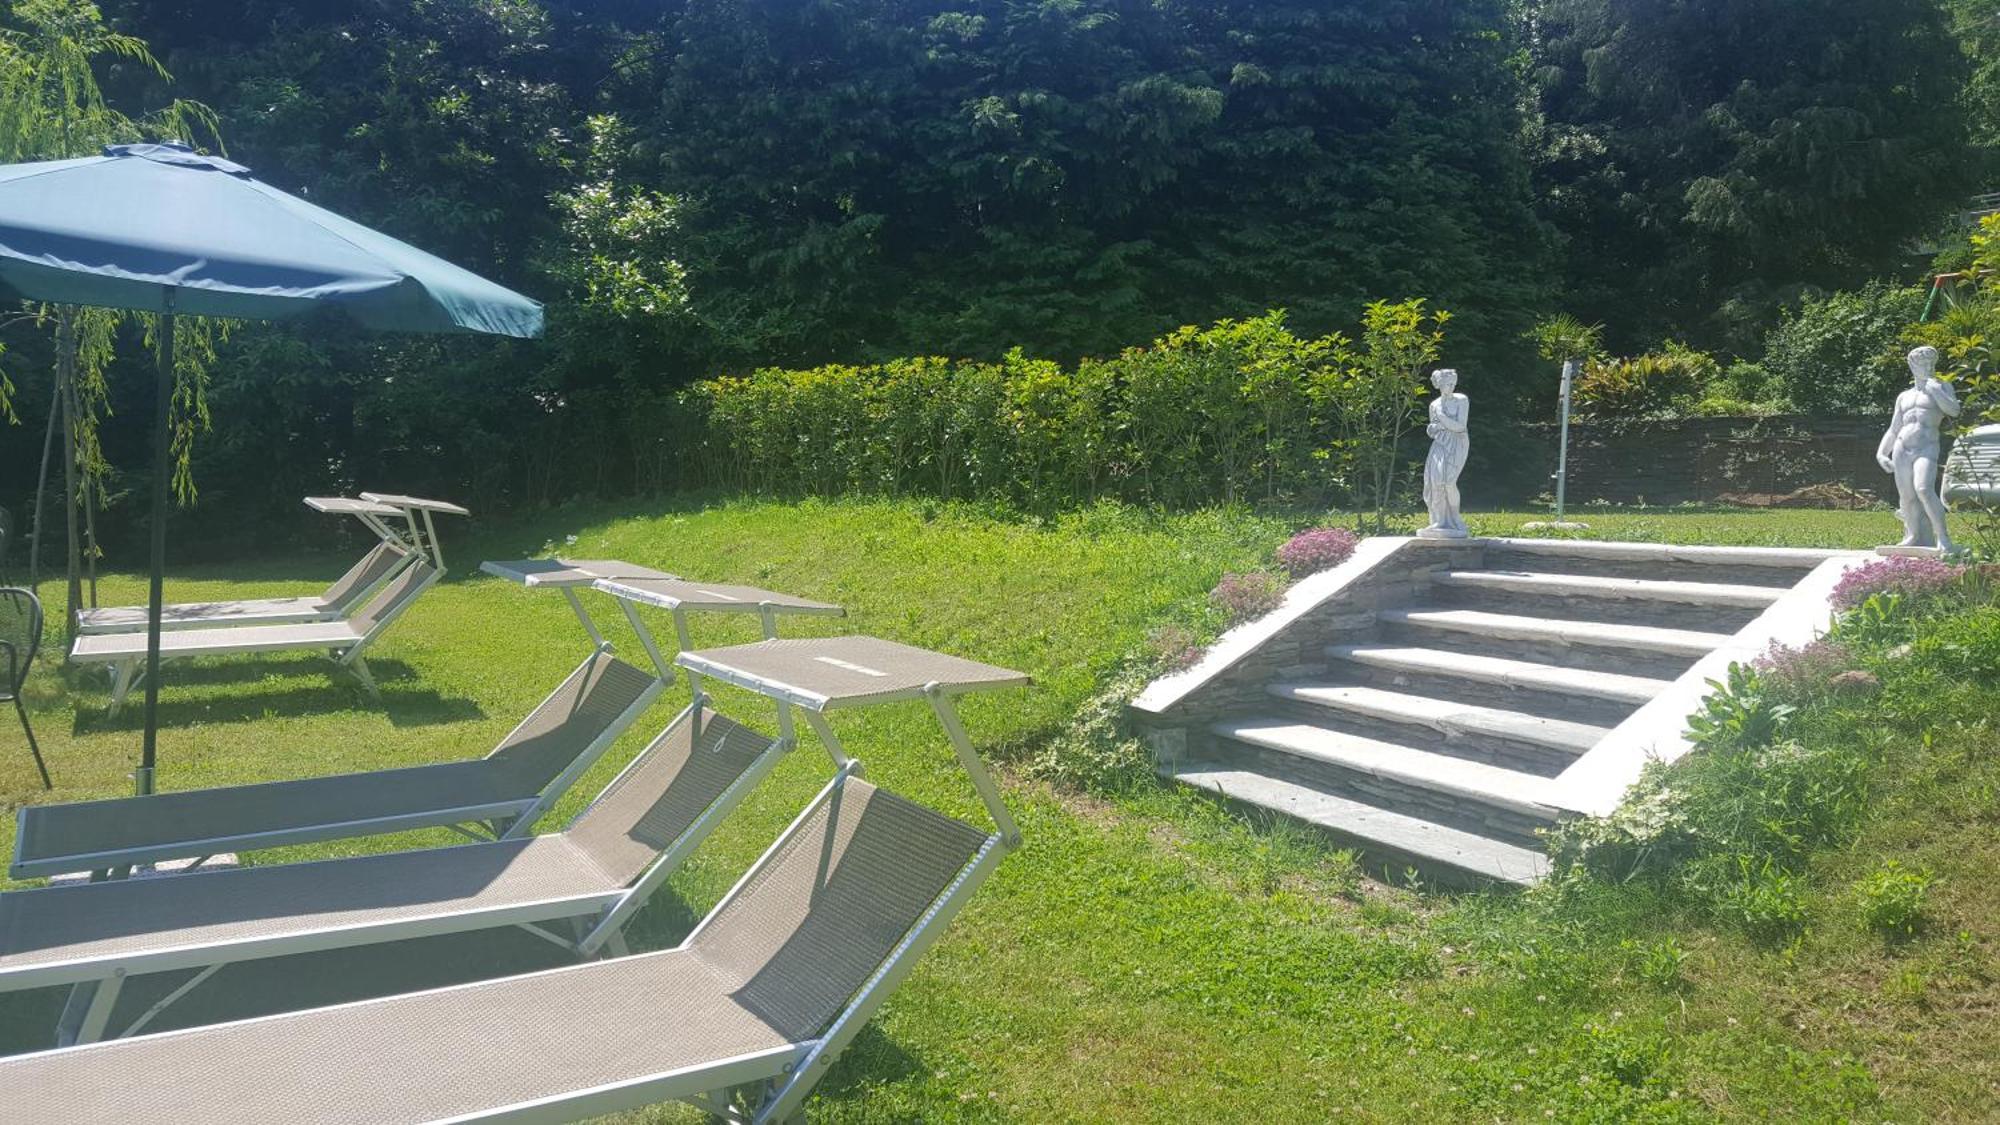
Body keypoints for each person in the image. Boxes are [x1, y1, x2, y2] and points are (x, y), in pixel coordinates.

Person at [1875, 345, 1959, 553]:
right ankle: (1912, 535)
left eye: (1931, 364)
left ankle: (1943, 538)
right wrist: (1881, 453)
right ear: (1912, 366)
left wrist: (1934, 390)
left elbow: (1953, 410)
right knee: (1907, 496)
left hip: (1926, 447)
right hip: (1901, 448)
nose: (1929, 368)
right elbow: (1894, 429)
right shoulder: (1904, 396)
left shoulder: (1942, 387)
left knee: (1923, 489)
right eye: (1923, 364)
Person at [1422, 368, 1469, 537]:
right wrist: (1432, 429)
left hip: (1458, 443)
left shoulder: (1462, 400)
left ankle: (1456, 519)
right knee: (1436, 482)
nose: (1451, 387)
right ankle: (1439, 521)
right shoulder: (1433, 405)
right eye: (1447, 384)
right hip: (1440, 444)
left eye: (1453, 384)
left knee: (1449, 482)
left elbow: (1460, 427)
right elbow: (1434, 430)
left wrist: (1441, 417)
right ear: (1439, 385)